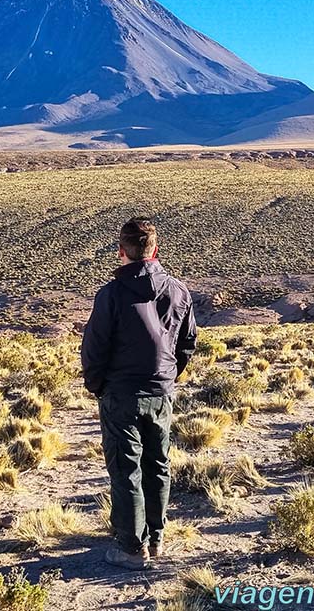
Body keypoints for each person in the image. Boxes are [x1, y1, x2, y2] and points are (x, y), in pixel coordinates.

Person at [81, 217, 198, 570]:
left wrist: (98, 386)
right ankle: (156, 538)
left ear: (121, 252)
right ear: (155, 250)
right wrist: (168, 376)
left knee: (125, 469)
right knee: (157, 464)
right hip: (160, 392)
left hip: (121, 394)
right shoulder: (178, 290)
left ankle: (132, 547)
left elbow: (94, 348)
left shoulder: (111, 295)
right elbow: (187, 343)